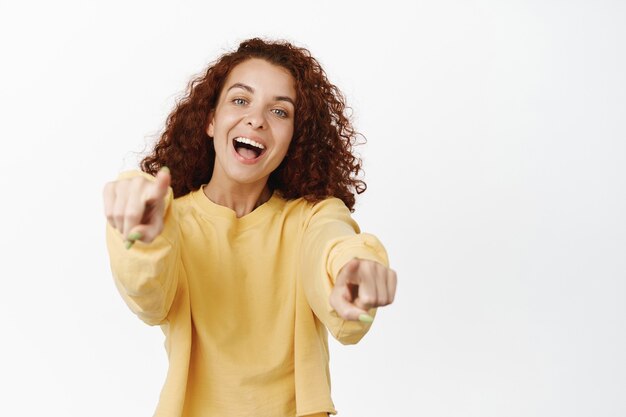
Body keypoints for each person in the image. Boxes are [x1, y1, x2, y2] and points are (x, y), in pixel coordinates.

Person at [103, 37, 397, 417]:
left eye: (280, 112)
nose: (256, 118)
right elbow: (149, 298)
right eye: (240, 100)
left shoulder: (310, 218)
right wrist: (141, 235)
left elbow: (334, 244)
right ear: (210, 120)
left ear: (294, 138)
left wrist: (354, 275)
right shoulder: (173, 221)